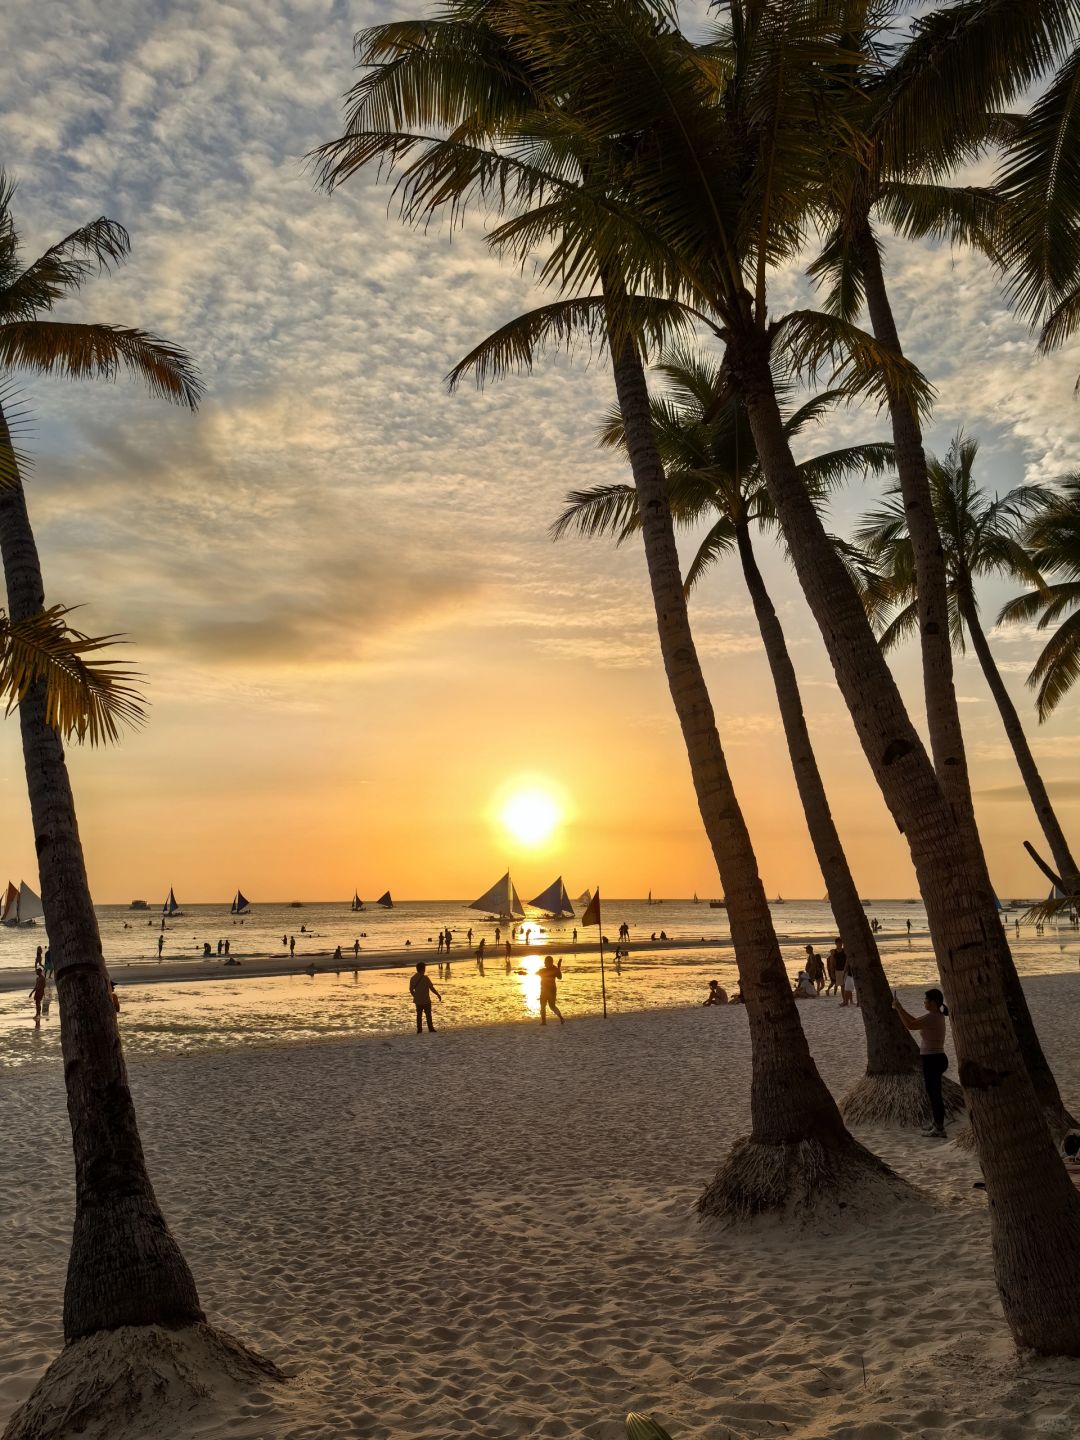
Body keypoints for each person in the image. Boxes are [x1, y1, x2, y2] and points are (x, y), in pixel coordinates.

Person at [894, 987, 950, 1138]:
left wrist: (898, 1009)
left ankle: (939, 1128)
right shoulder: (934, 1015)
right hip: (935, 1058)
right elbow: (914, 1021)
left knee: (935, 1095)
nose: (924, 1002)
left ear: (932, 1002)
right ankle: (937, 1123)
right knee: (934, 1093)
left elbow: (911, 1025)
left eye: (925, 1000)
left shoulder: (933, 1017)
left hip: (933, 1059)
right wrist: (901, 1008)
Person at [409, 961, 442, 1034]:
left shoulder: (413, 978)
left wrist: (415, 996)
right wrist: (438, 994)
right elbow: (431, 988)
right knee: (428, 1015)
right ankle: (430, 1028)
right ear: (422, 969)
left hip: (418, 1001)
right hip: (426, 1000)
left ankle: (419, 1030)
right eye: (424, 968)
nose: (425, 969)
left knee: (419, 1015)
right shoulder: (426, 978)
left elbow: (411, 990)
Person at [538, 955, 564, 1025]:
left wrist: (558, 967)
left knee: (551, 1006)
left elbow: (560, 977)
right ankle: (543, 1021)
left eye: (546, 962)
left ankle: (561, 1018)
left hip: (551, 991)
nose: (544, 963)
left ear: (550, 962)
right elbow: (533, 974)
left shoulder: (553, 970)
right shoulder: (544, 970)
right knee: (543, 1006)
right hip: (544, 991)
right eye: (544, 962)